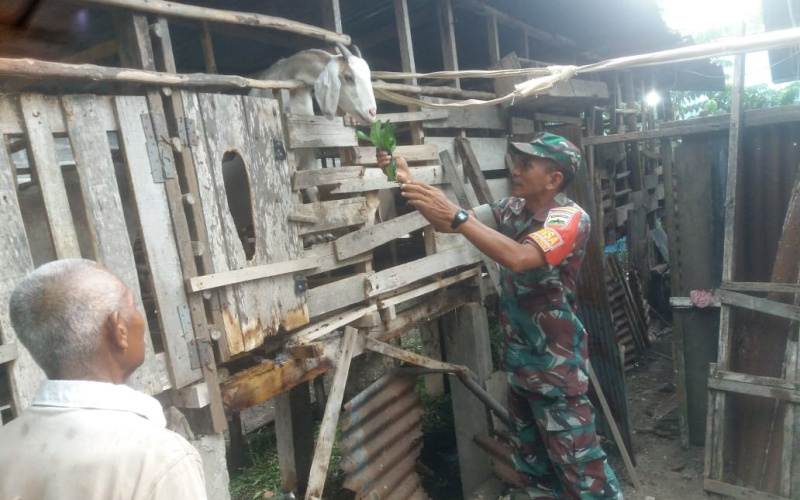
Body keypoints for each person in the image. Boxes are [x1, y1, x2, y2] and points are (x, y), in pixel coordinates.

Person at [378, 132, 622, 499]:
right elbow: (448, 222)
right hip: (522, 366)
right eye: (516, 162)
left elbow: (519, 257)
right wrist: (405, 180)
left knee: (584, 475)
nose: (515, 170)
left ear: (554, 179)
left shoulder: (569, 219)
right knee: (535, 473)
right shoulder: (513, 209)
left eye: (526, 165)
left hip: (556, 372)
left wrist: (458, 215)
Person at [0, 258, 208, 500]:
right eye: (133, 305)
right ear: (119, 330)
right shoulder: (159, 459)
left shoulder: (6, 442)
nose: (140, 318)